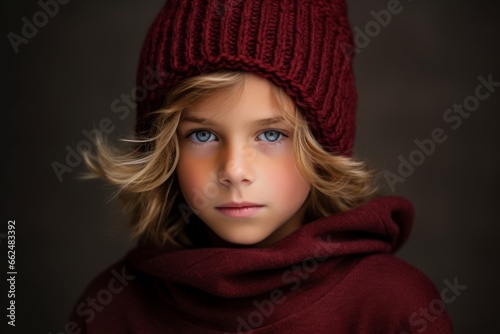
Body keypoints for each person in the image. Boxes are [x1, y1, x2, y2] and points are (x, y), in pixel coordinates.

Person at [69, 0, 453, 333]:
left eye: (271, 135)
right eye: (202, 135)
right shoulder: (110, 309)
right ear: (164, 149)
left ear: (322, 146)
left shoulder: (394, 307)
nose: (234, 171)